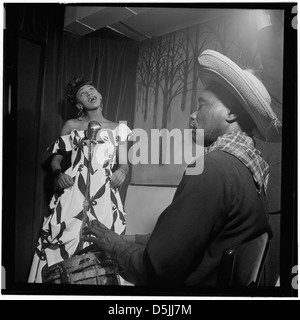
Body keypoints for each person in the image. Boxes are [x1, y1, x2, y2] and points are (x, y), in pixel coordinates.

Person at [81, 49, 282, 286]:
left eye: (202, 104)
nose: (193, 114)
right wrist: (131, 238)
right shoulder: (248, 169)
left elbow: (155, 270)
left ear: (232, 113)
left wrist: (114, 245)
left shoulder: (212, 169)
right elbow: (188, 240)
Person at [28, 77, 132, 283]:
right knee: (64, 237)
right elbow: (55, 160)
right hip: (74, 190)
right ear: (78, 104)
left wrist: (122, 171)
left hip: (104, 192)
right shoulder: (71, 125)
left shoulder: (119, 128)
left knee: (103, 243)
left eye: (92, 89)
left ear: (100, 95)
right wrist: (59, 174)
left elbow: (124, 164)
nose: (89, 94)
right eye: (83, 93)